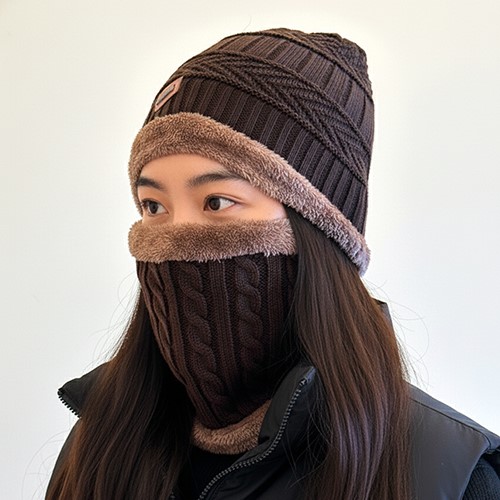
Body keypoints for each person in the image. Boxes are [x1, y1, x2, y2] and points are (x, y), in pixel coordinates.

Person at [46, 28, 500, 499]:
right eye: (153, 206)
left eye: (217, 201)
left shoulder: (449, 475)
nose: (174, 239)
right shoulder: (103, 440)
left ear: (320, 228)